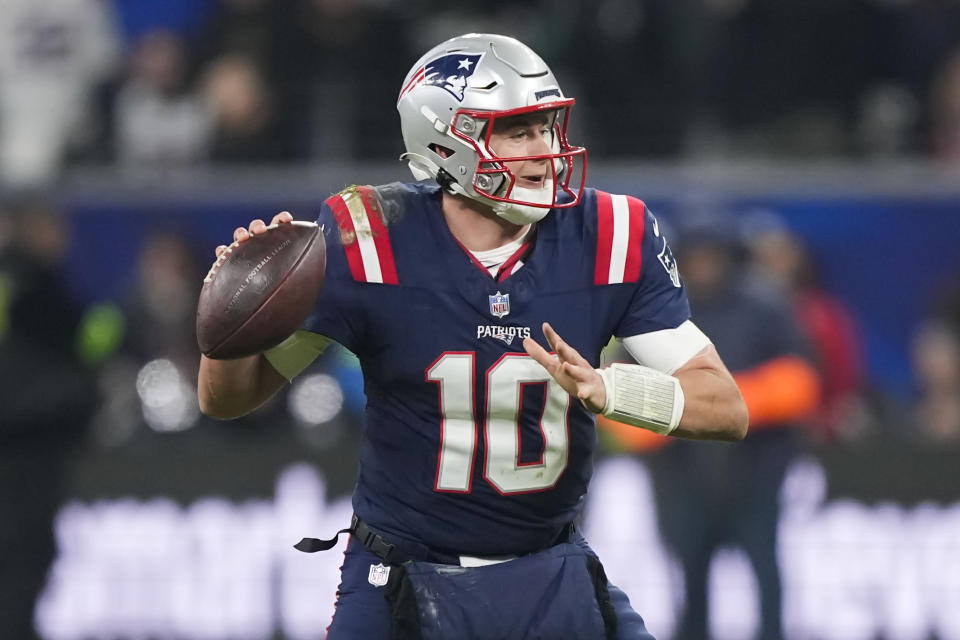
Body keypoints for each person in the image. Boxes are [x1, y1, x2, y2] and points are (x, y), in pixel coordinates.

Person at [198, 33, 748, 639]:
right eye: (518, 131)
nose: (546, 151)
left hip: (548, 571)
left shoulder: (612, 234)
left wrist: (611, 390)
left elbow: (726, 406)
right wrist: (237, 308)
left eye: (548, 126)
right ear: (444, 143)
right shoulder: (367, 240)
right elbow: (226, 398)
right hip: (401, 576)